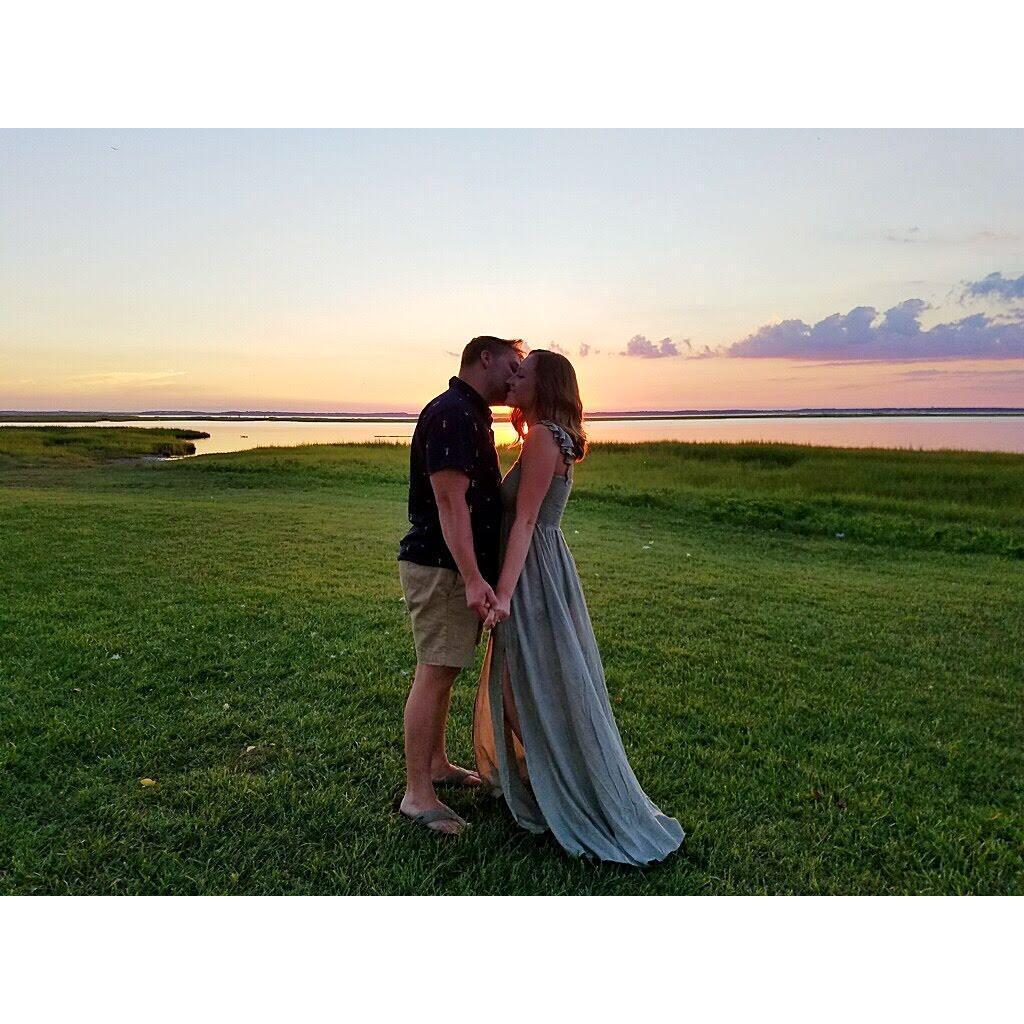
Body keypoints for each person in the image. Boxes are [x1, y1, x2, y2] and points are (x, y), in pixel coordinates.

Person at [473, 349, 684, 865]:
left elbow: (523, 523)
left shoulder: (545, 438)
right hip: (544, 567)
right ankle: (554, 772)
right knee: (529, 681)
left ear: (546, 386)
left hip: (531, 574)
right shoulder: (550, 436)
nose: (513, 380)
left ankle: (561, 777)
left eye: (523, 375)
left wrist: (502, 592)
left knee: (523, 684)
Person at [397, 336, 525, 834]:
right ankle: (417, 796)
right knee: (434, 671)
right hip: (443, 568)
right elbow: (450, 504)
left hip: (451, 568)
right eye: (512, 366)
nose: (517, 377)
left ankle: (435, 765)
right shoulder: (453, 412)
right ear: (484, 358)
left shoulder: (470, 413)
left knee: (445, 669)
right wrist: (473, 579)